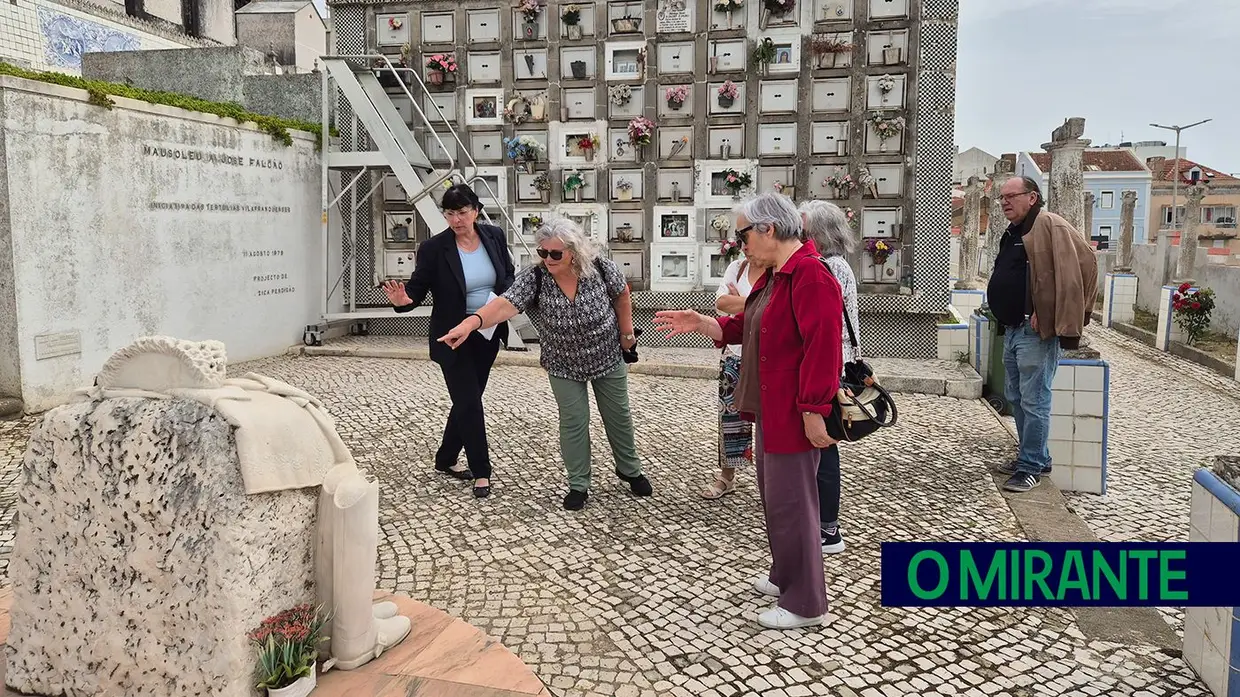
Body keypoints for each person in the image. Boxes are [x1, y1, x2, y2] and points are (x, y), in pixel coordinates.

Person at [654, 193, 844, 630]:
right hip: (772, 408)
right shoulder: (777, 275)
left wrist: (814, 409)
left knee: (795, 505)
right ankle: (785, 577)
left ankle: (805, 603)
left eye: (742, 234)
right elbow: (750, 322)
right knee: (778, 501)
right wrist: (707, 324)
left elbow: (823, 348)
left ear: (768, 230)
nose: (740, 244)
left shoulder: (810, 276)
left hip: (795, 413)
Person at [438, 217, 653, 511]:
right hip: (562, 363)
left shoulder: (600, 267)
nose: (548, 259)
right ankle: (579, 483)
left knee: (618, 416)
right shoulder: (536, 277)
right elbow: (504, 304)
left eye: (555, 254)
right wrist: (471, 323)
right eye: (543, 252)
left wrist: (627, 335)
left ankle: (630, 470)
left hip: (606, 354)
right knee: (574, 422)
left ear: (574, 252)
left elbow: (621, 294)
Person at [380, 184, 514, 499]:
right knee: (469, 401)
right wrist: (402, 300)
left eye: (462, 212)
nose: (456, 220)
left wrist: (500, 304)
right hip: (452, 336)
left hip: (487, 331)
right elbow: (417, 288)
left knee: (467, 399)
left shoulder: (493, 236)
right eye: (450, 213)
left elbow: (507, 274)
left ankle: (445, 458)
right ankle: (482, 471)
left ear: (476, 211)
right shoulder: (434, 248)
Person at [986, 176, 1098, 493]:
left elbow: (1087, 264)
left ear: (1033, 197)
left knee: (1035, 401)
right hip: (1012, 329)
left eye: (1012, 196)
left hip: (1035, 333)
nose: (1005, 202)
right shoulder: (1015, 231)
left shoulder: (1050, 225)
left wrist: (1054, 313)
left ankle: (1031, 467)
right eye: (1002, 197)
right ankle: (1034, 456)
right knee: (1017, 398)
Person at [799, 200, 859, 555]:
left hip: (830, 365)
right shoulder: (839, 266)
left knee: (823, 442)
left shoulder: (827, 268)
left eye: (804, 230)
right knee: (822, 443)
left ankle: (828, 529)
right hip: (836, 361)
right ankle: (821, 522)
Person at [700, 239, 768, 500]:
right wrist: (755, 303)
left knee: (768, 418)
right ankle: (727, 477)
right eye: (741, 241)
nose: (746, 247)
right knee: (730, 415)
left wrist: (740, 301)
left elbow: (774, 305)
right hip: (734, 354)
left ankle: (771, 477)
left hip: (766, 356)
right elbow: (721, 304)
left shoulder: (776, 271)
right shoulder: (737, 269)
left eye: (749, 240)